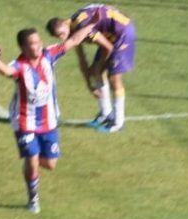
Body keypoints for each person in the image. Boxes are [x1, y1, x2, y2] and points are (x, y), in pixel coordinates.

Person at [0, 24, 94, 213]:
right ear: (23, 47)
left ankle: (31, 165)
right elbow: (6, 71)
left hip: (49, 120)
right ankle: (33, 198)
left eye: (38, 42)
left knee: (51, 164)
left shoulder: (49, 55)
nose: (37, 46)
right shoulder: (19, 66)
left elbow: (73, 40)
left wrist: (92, 24)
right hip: (24, 121)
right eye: (32, 44)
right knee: (32, 158)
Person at [46, 4, 136, 133]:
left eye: (61, 34)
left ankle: (118, 123)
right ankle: (106, 114)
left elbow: (108, 48)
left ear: (65, 25)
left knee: (114, 78)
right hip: (109, 37)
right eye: (58, 37)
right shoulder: (72, 28)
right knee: (96, 72)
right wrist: (89, 84)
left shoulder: (83, 26)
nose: (62, 38)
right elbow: (82, 59)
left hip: (123, 34)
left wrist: (98, 66)